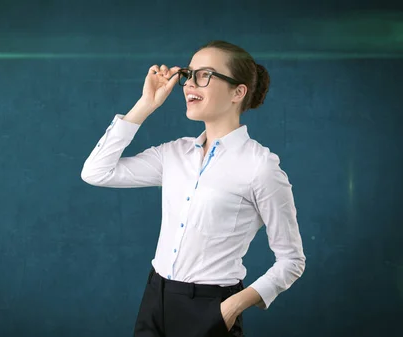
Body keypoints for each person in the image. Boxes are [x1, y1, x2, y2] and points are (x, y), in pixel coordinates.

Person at [80, 40, 306, 337]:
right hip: (155, 297)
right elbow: (97, 172)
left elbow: (292, 260)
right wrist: (146, 104)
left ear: (238, 92)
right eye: (189, 75)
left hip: (211, 307)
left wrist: (232, 306)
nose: (188, 85)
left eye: (204, 76)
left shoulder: (260, 167)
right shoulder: (174, 154)